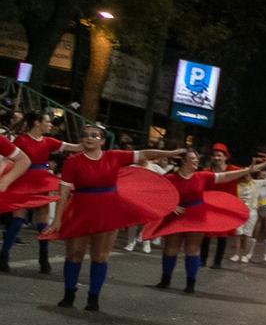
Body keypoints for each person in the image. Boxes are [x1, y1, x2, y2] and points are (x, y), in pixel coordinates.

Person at [41, 123, 180, 310]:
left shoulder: (114, 157)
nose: (90, 138)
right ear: (82, 139)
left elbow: (145, 154)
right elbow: (64, 192)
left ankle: (93, 298)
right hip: (80, 211)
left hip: (107, 212)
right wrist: (57, 219)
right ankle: (69, 294)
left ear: (103, 141)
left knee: (100, 256)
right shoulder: (73, 161)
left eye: (95, 135)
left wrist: (168, 154)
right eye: (86, 135)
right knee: (74, 254)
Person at [141, 148, 264, 292]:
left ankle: (190, 283)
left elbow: (226, 176)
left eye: (197, 159)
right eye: (193, 159)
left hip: (196, 216)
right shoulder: (170, 179)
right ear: (183, 161)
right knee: (170, 249)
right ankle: (165, 279)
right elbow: (155, 193)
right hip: (176, 216)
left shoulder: (202, 176)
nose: (196, 161)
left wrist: (247, 170)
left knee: (192, 250)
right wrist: (170, 206)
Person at [2, 111, 77, 274]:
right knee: (18, 220)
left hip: (42, 181)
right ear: (37, 123)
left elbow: (74, 147)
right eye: (47, 121)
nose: (50, 125)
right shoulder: (22, 140)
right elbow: (9, 158)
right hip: (24, 180)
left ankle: (43, 258)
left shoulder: (48, 141)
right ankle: (4, 256)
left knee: (42, 221)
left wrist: (90, 144)